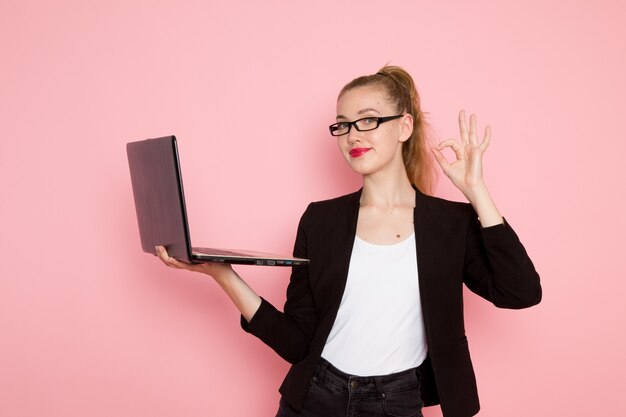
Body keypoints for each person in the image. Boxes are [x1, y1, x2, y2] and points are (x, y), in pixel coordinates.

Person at [156, 65, 542, 417]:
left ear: (404, 127)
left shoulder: (450, 224)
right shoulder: (320, 220)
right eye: (343, 125)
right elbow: (296, 343)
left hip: (398, 402)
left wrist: (477, 192)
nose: (352, 135)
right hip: (313, 398)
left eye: (368, 120)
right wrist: (223, 275)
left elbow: (520, 291)